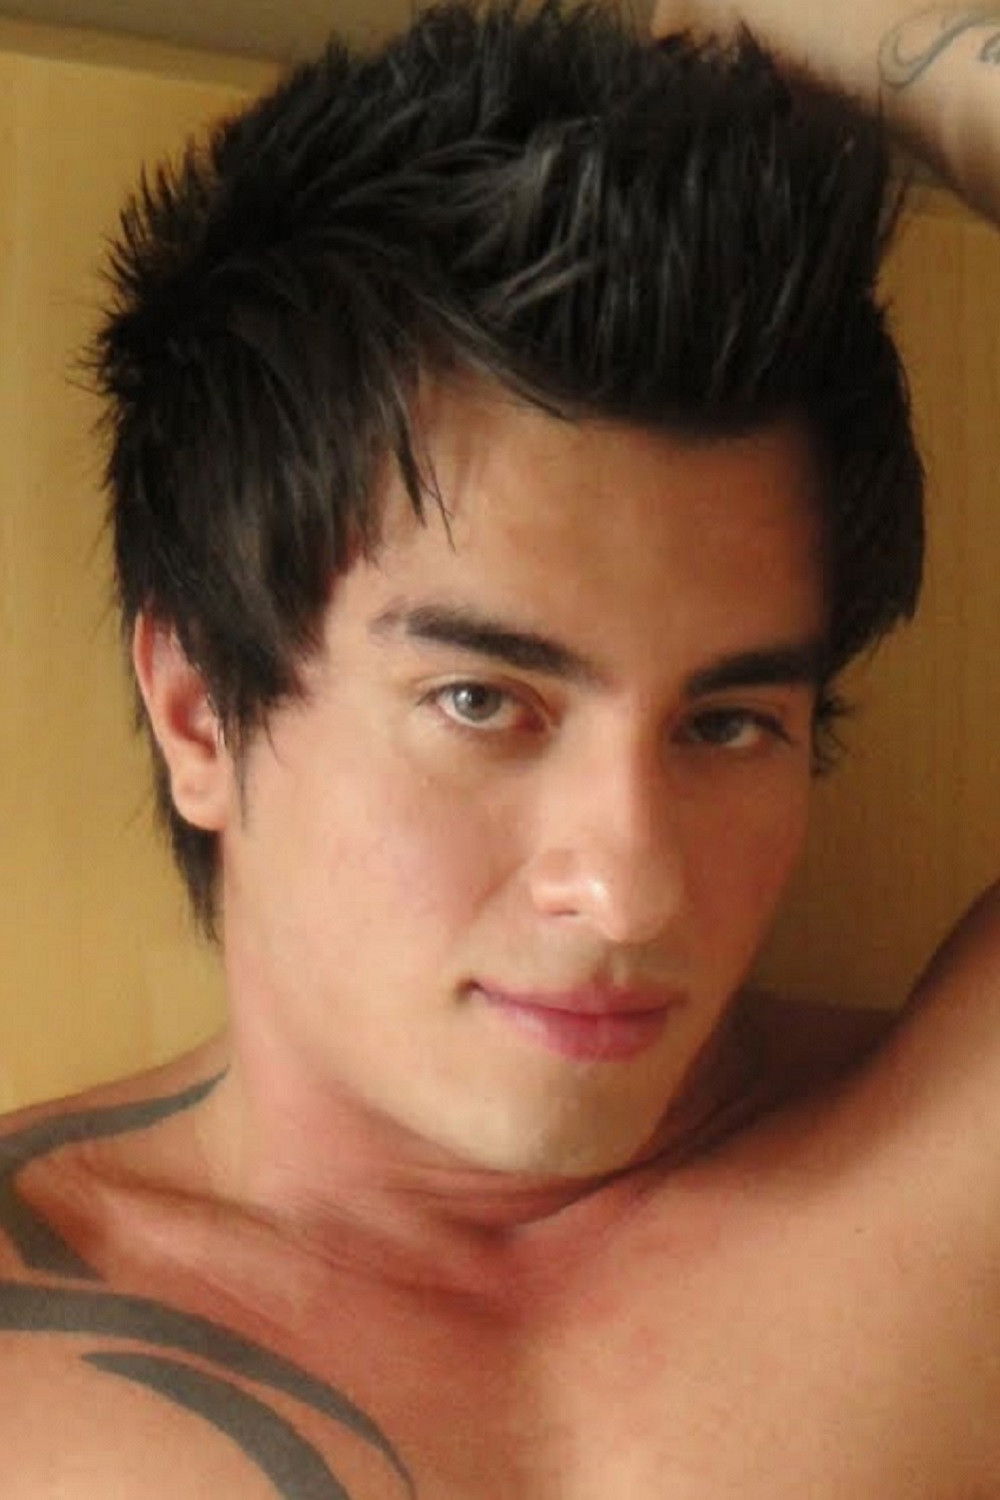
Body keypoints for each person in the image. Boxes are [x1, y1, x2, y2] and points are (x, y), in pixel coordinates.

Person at [1, 0, 998, 1493]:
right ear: (202, 710)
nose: (632, 891)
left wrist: (840, 23)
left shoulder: (951, 1186)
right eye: (483, 702)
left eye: (728, 723)